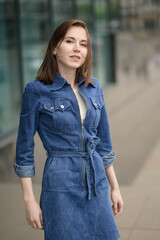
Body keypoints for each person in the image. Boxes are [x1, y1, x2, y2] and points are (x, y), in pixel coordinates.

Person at [14, 19, 124, 240]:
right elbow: (24, 152)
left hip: (97, 183)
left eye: (83, 44)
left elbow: (103, 142)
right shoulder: (36, 91)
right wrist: (30, 200)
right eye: (70, 41)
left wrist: (115, 187)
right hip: (60, 184)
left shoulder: (94, 88)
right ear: (54, 48)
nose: (77, 49)